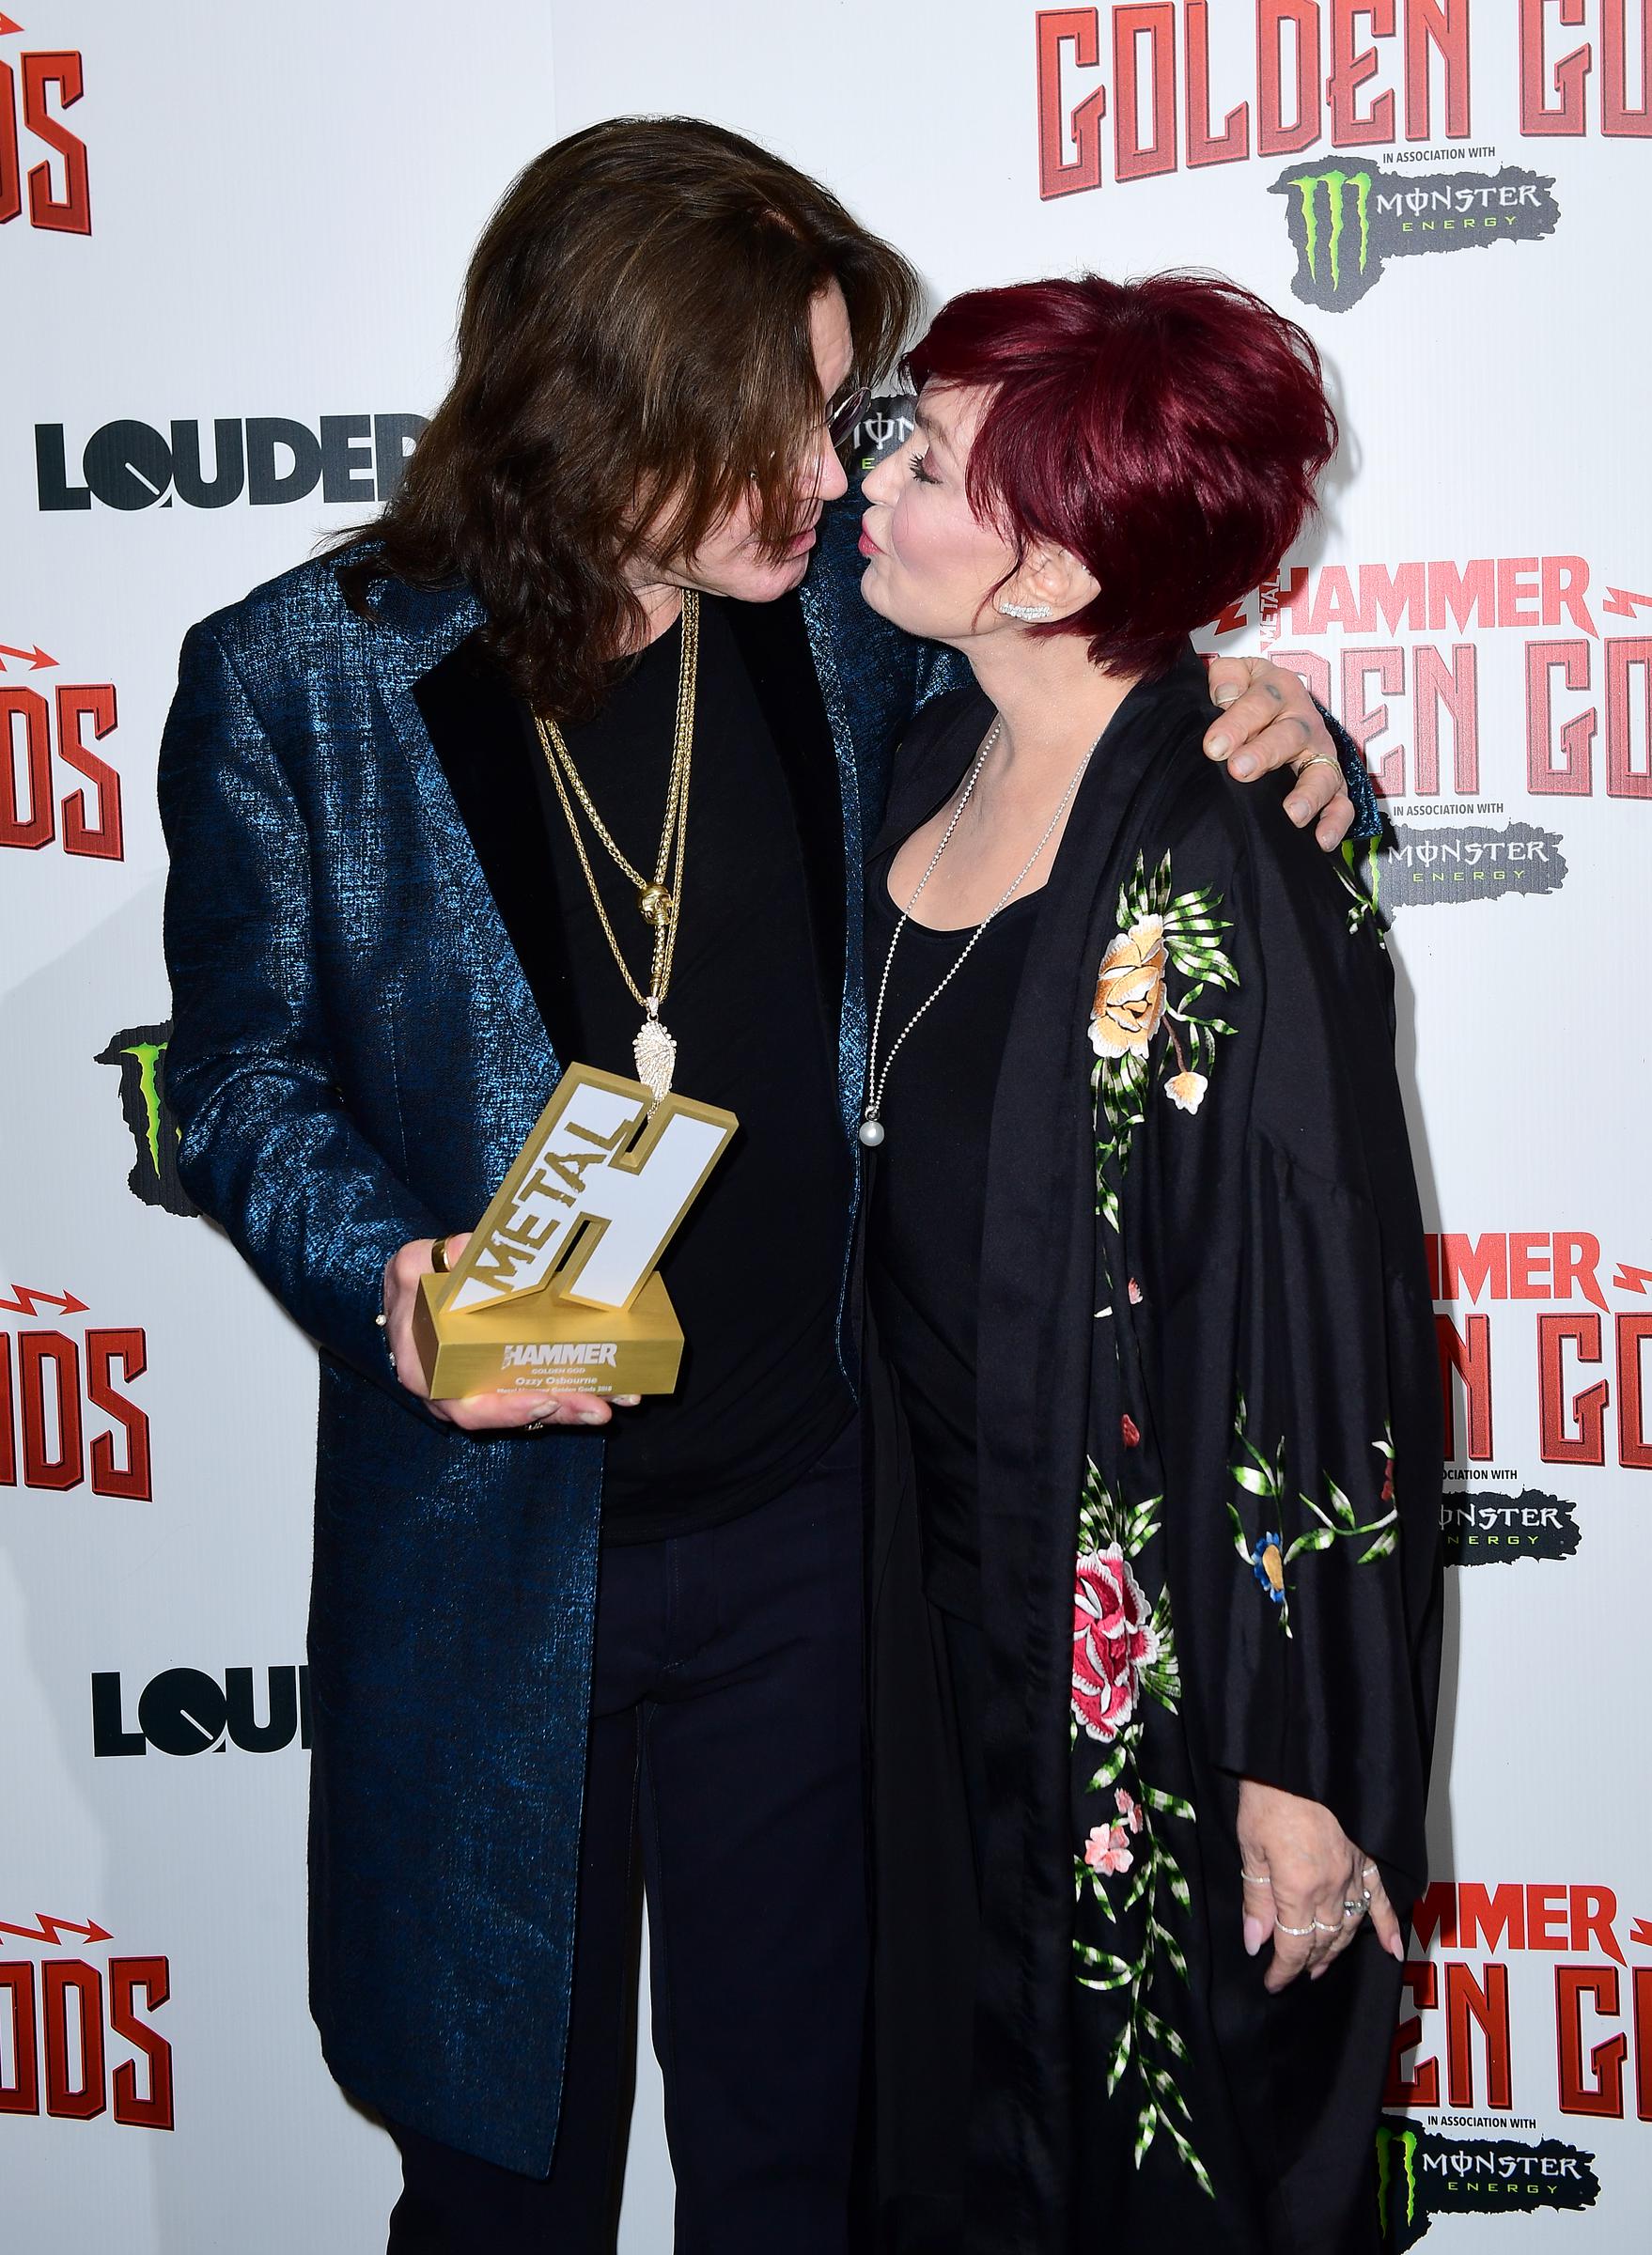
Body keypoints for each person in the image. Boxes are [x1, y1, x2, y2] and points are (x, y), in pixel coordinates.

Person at [156, 119, 1368, 2253]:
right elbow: (241, 1078)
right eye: (778, 424)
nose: (830, 475)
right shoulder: (298, 680)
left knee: (803, 2166)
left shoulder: (839, 635)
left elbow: (1083, 718)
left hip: (817, 1538)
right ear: (601, 403)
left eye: (843, 417)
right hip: (490, 1554)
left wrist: (1273, 730)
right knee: (500, 2188)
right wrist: (389, 1278)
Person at [855, 272, 1442, 2255]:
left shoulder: (1227, 849)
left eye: (925, 462)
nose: (870, 483)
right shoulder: (913, 757)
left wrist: (1303, 1764)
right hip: (908, 1619)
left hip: (1148, 1671)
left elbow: (1323, 1323)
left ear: (1048, 569)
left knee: (1138, 2174)